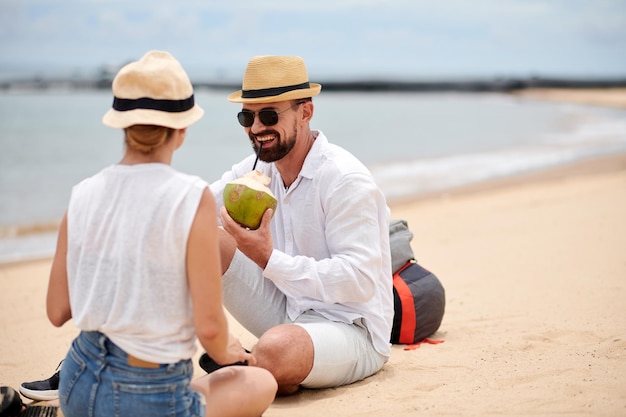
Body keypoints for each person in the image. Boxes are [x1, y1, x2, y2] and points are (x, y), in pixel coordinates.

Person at [27, 50, 277, 417]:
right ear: (182, 130)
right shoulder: (191, 198)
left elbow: (56, 311)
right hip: (148, 391)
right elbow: (210, 329)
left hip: (77, 381)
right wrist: (231, 351)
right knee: (261, 383)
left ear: (122, 125)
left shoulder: (82, 193)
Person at [204, 55, 394, 396]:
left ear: (305, 113)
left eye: (269, 115)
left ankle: (259, 365)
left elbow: (360, 281)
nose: (256, 128)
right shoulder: (258, 168)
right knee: (204, 241)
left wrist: (268, 259)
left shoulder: (344, 179)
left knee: (277, 348)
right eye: (246, 116)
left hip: (351, 328)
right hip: (288, 309)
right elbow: (198, 204)